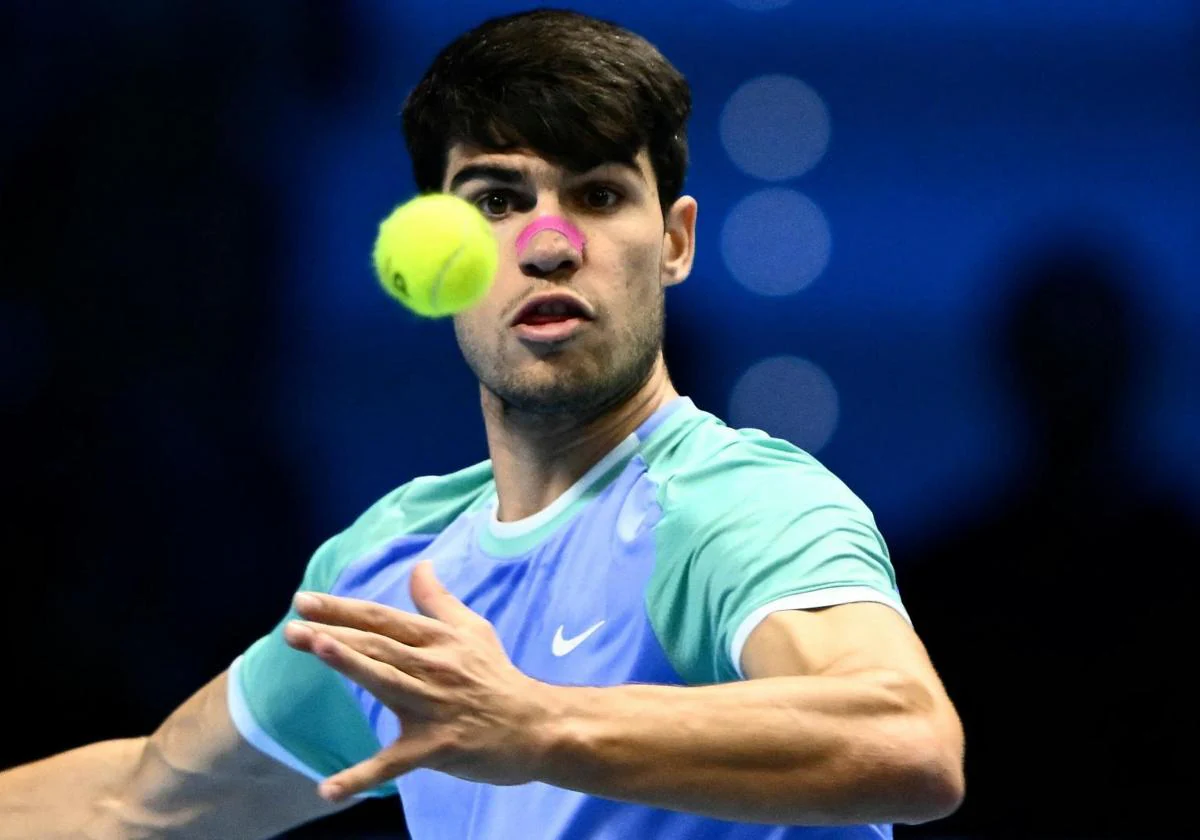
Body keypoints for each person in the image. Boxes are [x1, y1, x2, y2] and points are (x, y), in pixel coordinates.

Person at [0, 9, 964, 839]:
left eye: (596, 195)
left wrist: (539, 725)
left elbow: (906, 741)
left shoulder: (733, 506)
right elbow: (134, 803)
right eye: (498, 201)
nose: (548, 244)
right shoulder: (393, 566)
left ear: (672, 243)